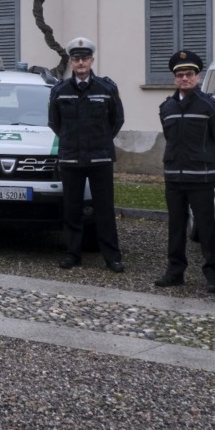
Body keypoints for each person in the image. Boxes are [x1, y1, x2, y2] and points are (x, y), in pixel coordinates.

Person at [154, 50, 215, 294]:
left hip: (201, 177)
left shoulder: (211, 105)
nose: (184, 78)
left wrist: (206, 161)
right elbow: (171, 139)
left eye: (189, 74)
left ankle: (212, 275)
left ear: (198, 76)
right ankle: (175, 271)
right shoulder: (166, 107)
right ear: (174, 78)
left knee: (206, 227)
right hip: (174, 177)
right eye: (179, 75)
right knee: (176, 227)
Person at [48, 36, 125, 273]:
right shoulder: (60, 90)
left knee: (104, 209)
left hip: (99, 157)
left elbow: (117, 120)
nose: (80, 63)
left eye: (84, 59)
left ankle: (111, 257)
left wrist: (100, 140)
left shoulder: (107, 88)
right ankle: (72, 254)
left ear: (92, 60)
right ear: (71, 62)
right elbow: (54, 123)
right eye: (76, 59)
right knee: (72, 209)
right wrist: (72, 141)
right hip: (71, 158)